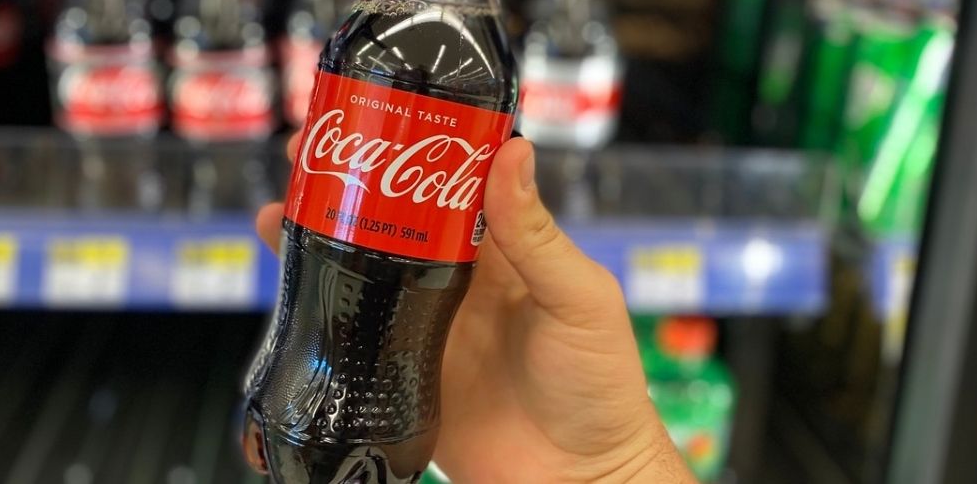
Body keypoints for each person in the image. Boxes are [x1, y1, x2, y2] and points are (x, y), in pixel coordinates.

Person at [254, 135, 698, 483]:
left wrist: (609, 468)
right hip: (336, 388)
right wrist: (610, 471)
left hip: (397, 397)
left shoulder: (473, 65)